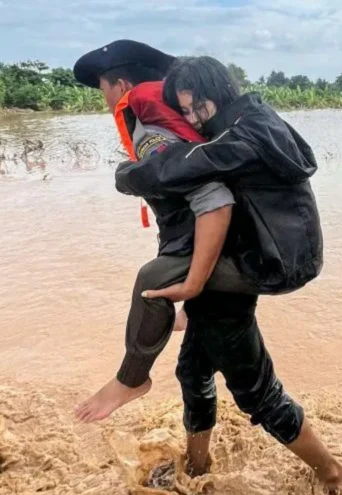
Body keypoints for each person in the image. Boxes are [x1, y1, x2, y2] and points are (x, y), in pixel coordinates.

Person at [112, 56, 342, 494]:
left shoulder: (246, 132)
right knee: (193, 368)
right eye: (183, 112)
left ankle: (331, 471)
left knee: (254, 390)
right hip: (258, 252)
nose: (191, 120)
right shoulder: (248, 121)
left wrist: (128, 174)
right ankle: (197, 468)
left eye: (196, 108)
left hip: (269, 260)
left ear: (217, 94)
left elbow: (187, 164)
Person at [72, 40, 256, 423]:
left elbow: (213, 197)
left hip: (223, 248)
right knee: (195, 373)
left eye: (103, 89)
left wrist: (192, 281)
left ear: (121, 85)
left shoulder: (150, 130)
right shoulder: (167, 115)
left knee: (151, 281)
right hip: (228, 242)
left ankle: (131, 378)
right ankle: (196, 466)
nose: (103, 99)